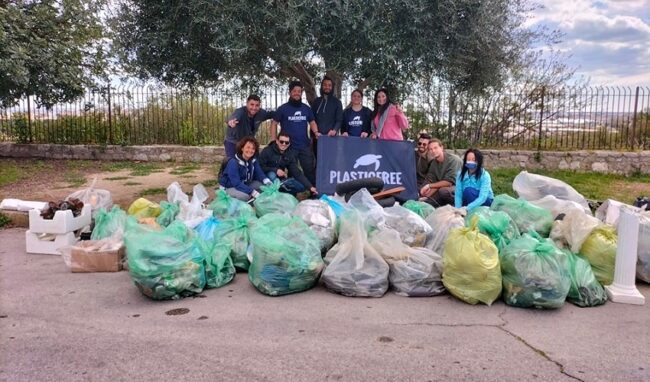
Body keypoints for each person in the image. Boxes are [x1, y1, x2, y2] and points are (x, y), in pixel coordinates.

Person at [271, 81, 319, 185]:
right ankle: (292, 193)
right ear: (290, 92)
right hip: (288, 147)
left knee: (309, 170)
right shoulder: (283, 109)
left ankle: (313, 192)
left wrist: (316, 132)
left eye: (299, 91)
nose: (297, 93)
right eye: (294, 91)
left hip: (304, 146)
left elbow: (312, 122)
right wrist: (274, 140)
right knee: (292, 171)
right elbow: (274, 123)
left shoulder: (306, 108)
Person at [259, 131, 318, 196]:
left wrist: (310, 187)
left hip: (281, 180)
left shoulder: (289, 154)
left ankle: (281, 192)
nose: (284, 144)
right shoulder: (267, 150)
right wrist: (275, 170)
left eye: (286, 142)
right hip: (266, 178)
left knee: (301, 186)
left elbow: (296, 172)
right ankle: (274, 194)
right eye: (281, 141)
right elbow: (259, 167)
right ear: (277, 141)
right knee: (272, 175)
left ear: (289, 144)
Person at [219, 137, 271, 201]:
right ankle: (232, 204)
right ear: (242, 148)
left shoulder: (253, 160)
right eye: (248, 147)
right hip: (230, 187)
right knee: (244, 196)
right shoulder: (233, 162)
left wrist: (267, 182)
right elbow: (236, 183)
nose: (250, 150)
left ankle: (251, 200)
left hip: (244, 183)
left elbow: (259, 173)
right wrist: (252, 192)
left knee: (263, 187)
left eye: (253, 148)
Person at [224, 94, 275, 159]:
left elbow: (271, 114)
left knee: (256, 161)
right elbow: (233, 118)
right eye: (252, 104)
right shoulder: (240, 112)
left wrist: (282, 113)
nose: (254, 108)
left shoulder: (261, 113)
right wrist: (231, 122)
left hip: (248, 141)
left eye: (257, 105)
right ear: (247, 104)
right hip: (233, 141)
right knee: (232, 162)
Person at [420, 138, 462, 207]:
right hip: (444, 188)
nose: (433, 151)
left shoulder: (454, 160)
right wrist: (425, 194)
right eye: (430, 149)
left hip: (460, 187)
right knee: (427, 201)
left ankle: (458, 205)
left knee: (443, 191)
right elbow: (431, 180)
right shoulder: (434, 163)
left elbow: (449, 182)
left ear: (441, 147)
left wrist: (429, 186)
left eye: (435, 148)